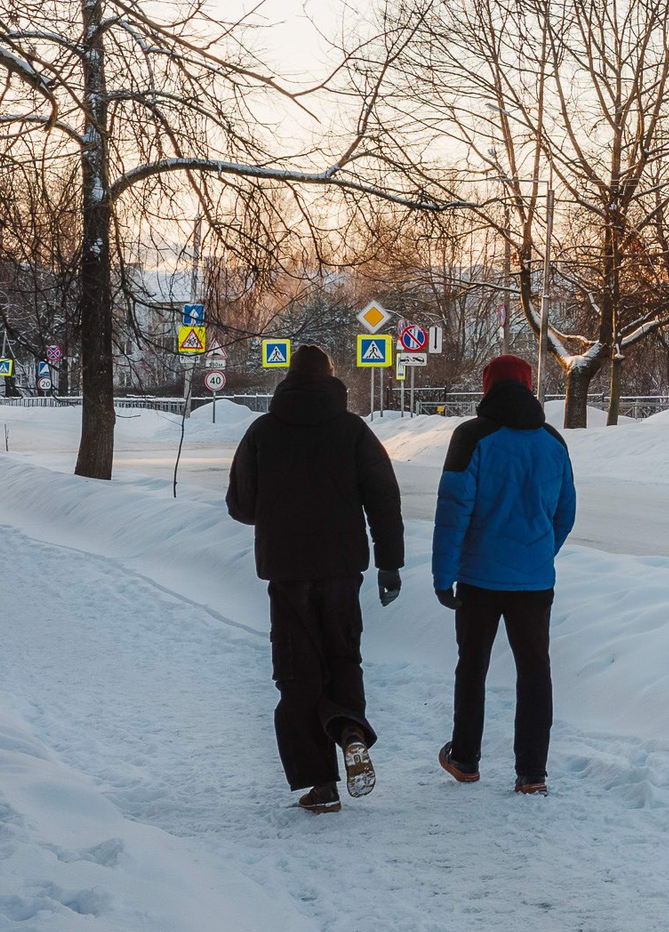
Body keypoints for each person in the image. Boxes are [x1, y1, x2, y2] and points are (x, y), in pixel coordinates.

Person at [226, 344, 404, 814]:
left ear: (288, 378)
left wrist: (278, 505)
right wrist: (390, 562)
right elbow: (384, 498)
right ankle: (348, 727)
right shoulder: (353, 431)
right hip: (342, 569)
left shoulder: (262, 431)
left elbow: (241, 505)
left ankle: (321, 784)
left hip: (287, 572)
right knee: (343, 656)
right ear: (331, 379)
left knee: (296, 672)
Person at [434, 354, 576, 796]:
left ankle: (465, 758)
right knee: (535, 672)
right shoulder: (552, 440)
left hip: (478, 579)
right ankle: (532, 773)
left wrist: (444, 575)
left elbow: (452, 512)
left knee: (471, 667)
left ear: (487, 387)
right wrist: (539, 554)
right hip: (534, 582)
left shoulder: (471, 437)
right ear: (529, 385)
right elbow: (565, 512)